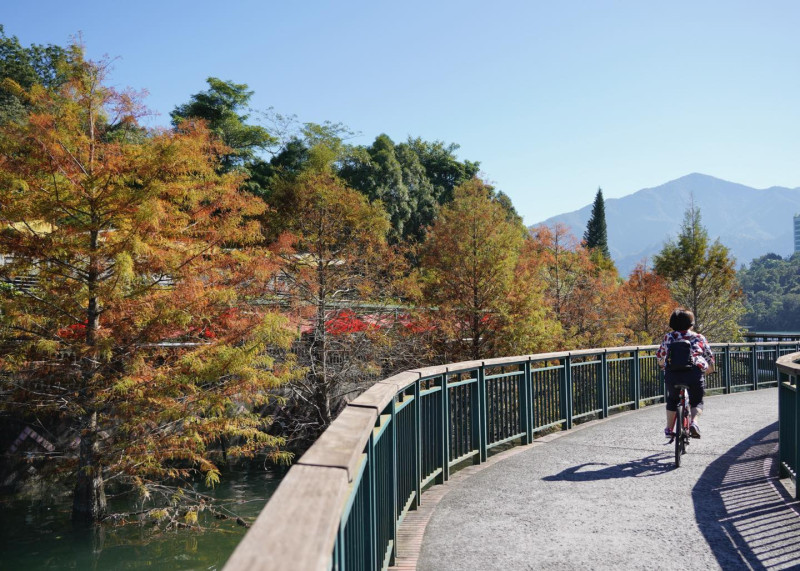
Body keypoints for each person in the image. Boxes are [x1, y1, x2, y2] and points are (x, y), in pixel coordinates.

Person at [656, 308, 715, 439]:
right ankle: (694, 423)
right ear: (691, 323)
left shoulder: (669, 337)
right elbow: (709, 357)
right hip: (694, 372)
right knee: (697, 401)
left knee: (672, 400)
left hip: (673, 373)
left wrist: (662, 365)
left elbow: (660, 356)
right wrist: (709, 370)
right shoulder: (699, 337)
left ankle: (669, 429)